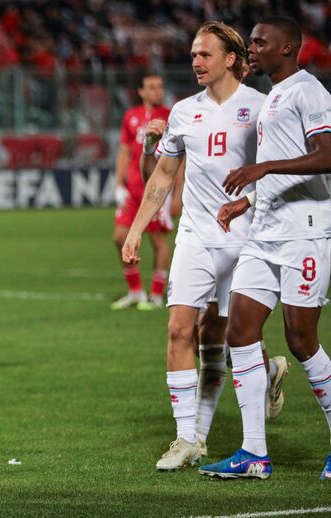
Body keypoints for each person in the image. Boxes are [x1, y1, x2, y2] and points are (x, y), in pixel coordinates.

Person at [123, 21, 289, 472]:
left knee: (224, 336)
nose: (195, 61)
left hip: (248, 239)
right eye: (193, 54)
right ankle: (186, 439)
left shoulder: (261, 108)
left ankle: (265, 375)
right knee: (180, 330)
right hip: (195, 237)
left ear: (231, 59)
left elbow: (279, 168)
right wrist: (139, 228)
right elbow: (162, 175)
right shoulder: (182, 112)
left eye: (205, 54)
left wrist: (252, 203)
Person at [199, 16, 331, 480]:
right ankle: (254, 453)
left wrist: (262, 169)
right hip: (265, 232)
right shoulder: (275, 95)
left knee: (300, 340)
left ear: (289, 47)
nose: (251, 48)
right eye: (250, 42)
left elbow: (327, 155)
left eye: (260, 42)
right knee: (240, 329)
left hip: (304, 232)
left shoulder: (308, 91)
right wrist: (248, 200)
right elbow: (286, 164)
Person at [111, 74, 174, 311]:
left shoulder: (170, 116)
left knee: (158, 240)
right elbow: (124, 151)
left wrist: (176, 194)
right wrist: (118, 184)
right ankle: (136, 291)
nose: (157, 91)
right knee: (119, 237)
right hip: (133, 189)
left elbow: (180, 157)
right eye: (152, 87)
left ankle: (156, 295)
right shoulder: (131, 116)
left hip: (157, 188)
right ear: (141, 91)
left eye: (160, 87)